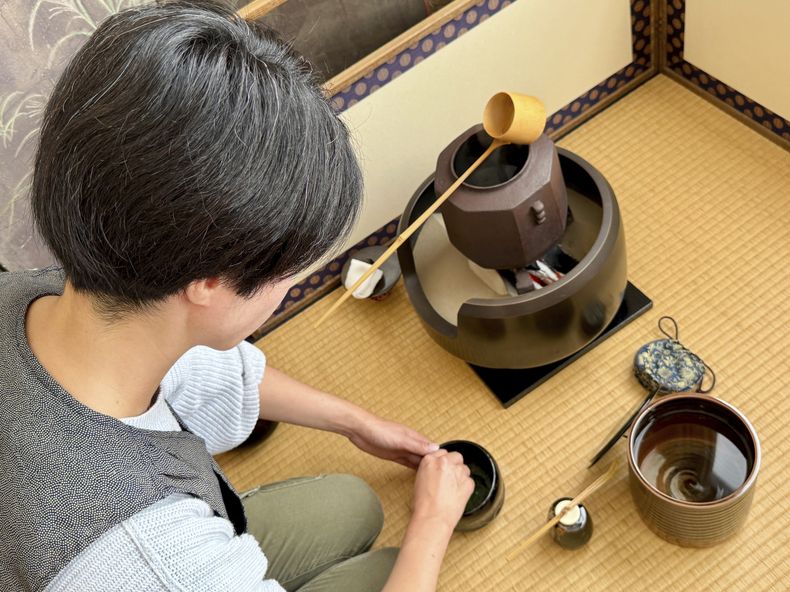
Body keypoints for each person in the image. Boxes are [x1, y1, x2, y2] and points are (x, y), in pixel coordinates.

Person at [0, 2, 474, 591]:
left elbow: (197, 375)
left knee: (355, 506)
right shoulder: (148, 559)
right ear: (208, 283)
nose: (291, 283)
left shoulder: (49, 294)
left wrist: (355, 422)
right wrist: (432, 522)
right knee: (390, 568)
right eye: (289, 270)